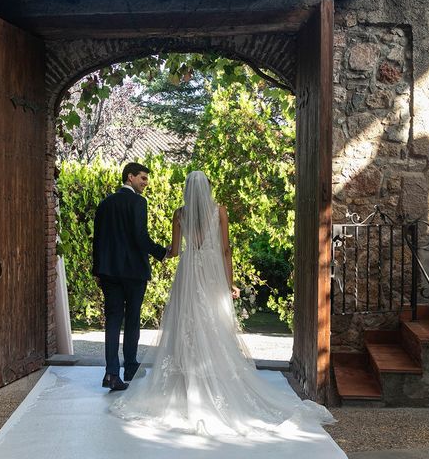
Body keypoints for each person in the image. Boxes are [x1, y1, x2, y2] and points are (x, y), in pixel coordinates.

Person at [109, 171, 344, 448]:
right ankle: (212, 377)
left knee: (186, 322)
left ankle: (185, 383)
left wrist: (164, 253)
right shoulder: (219, 211)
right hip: (210, 273)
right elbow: (226, 251)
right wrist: (229, 283)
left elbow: (173, 251)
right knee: (213, 322)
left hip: (188, 272)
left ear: (187, 190)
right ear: (207, 188)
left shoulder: (179, 214)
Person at [92, 162, 169, 391]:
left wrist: (97, 270)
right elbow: (140, 237)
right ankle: (131, 366)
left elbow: (98, 239)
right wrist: (162, 252)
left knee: (113, 321)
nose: (146, 183)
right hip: (134, 272)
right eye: (143, 178)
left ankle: (111, 374)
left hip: (109, 272)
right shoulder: (138, 202)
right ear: (130, 177)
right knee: (132, 319)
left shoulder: (105, 203)